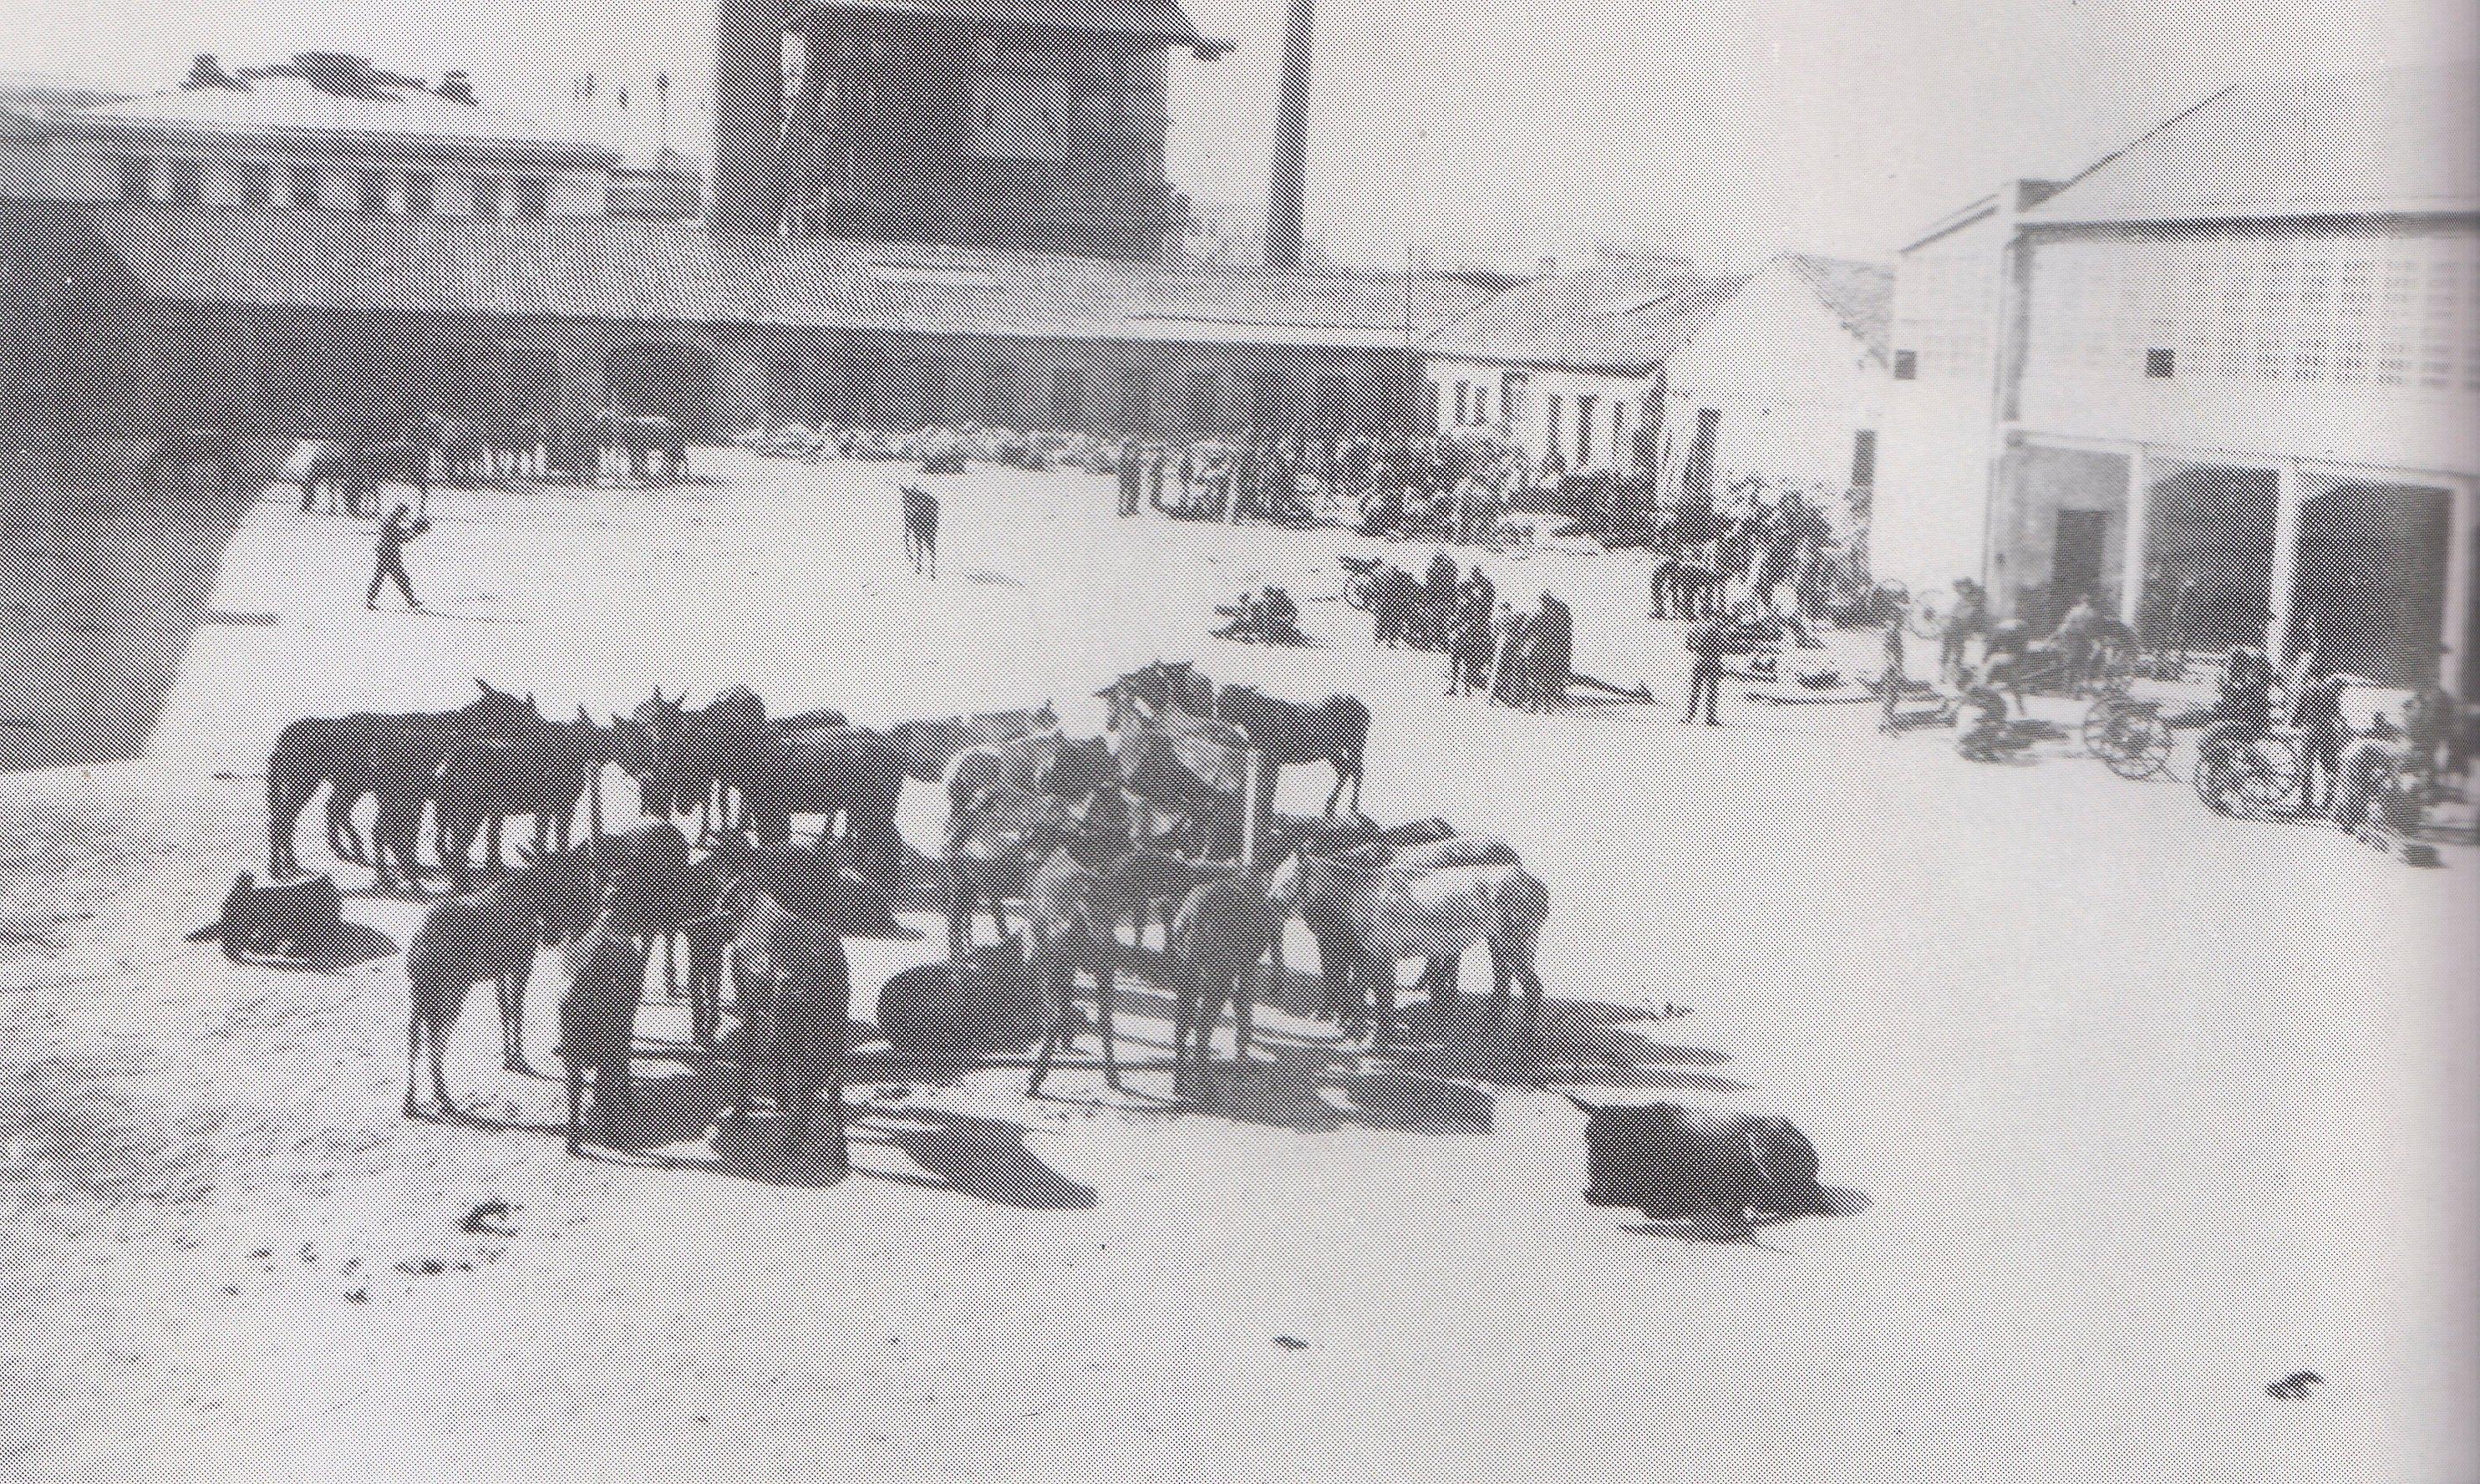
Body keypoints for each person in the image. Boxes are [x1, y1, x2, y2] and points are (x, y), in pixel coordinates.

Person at [2197, 647, 2278, 808]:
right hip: (2247, 724)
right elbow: (2237, 705)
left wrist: (2229, 696)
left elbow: (2243, 707)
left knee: (2216, 737)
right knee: (2216, 740)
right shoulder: (2251, 683)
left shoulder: (2254, 685)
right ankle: (2217, 786)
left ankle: (2218, 787)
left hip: (2251, 727)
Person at [2289, 666, 2356, 815]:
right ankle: (2328, 802)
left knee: (2306, 767)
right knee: (2329, 767)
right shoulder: (2330, 692)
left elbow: (2298, 714)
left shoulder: (2306, 690)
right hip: (2328, 732)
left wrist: (2295, 723)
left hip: (2310, 732)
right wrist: (2347, 730)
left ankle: (2306, 801)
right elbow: (2338, 714)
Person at [366, 503, 429, 612]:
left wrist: (414, 529)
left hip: (386, 553)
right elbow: (404, 538)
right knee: (397, 578)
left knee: (385, 577)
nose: (404, 518)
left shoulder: (390, 522)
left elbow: (403, 535)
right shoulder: (391, 524)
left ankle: (371, 600)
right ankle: (411, 601)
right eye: (403, 515)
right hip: (389, 554)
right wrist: (416, 530)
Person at [1448, 569, 1497, 696]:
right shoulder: (1466, 601)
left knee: (1474, 655)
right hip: (1466, 630)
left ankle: (1467, 686)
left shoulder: (1484, 594)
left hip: (1478, 628)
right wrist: (1454, 624)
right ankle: (1455, 685)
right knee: (1456, 656)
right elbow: (1458, 617)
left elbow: (1486, 606)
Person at [1683, 608, 1730, 726]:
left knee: (1696, 690)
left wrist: (1698, 649)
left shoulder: (1697, 629)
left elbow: (1689, 644)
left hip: (1700, 661)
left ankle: (1690, 716)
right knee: (1711, 691)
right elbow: (1725, 647)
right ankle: (1710, 717)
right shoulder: (1718, 631)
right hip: (1713, 662)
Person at [1531, 589, 1573, 709]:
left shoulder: (1545, 616)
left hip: (1551, 649)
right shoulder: (1560, 613)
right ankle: (1554, 694)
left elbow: (1533, 630)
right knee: (1555, 673)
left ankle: (1548, 696)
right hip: (1557, 649)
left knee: (1547, 673)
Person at [1941, 578, 1987, 683]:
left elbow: (1973, 612)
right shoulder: (1963, 599)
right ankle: (1945, 672)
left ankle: (1953, 672)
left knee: (1957, 649)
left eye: (1964, 588)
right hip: (1955, 626)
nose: (1962, 590)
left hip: (1963, 627)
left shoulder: (1974, 599)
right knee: (1948, 647)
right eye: (1962, 588)